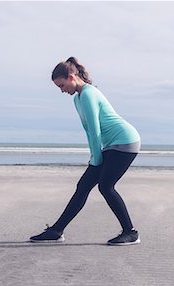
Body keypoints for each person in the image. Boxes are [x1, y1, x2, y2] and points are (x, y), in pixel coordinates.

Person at [30, 57, 141, 246]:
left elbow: (95, 129)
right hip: (110, 146)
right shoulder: (78, 99)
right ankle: (56, 231)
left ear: (71, 77)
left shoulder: (89, 94)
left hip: (125, 142)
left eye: (62, 85)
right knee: (83, 186)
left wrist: (96, 159)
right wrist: (95, 158)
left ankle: (131, 233)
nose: (61, 90)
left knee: (106, 186)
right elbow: (89, 131)